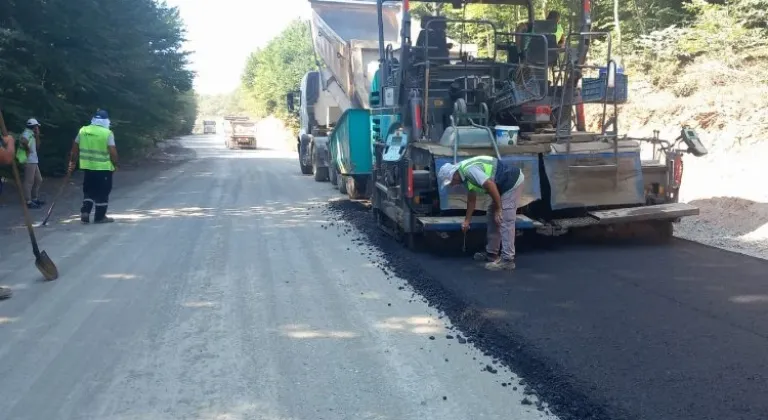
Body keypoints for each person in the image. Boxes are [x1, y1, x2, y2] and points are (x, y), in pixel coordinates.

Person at [438, 156, 525, 271]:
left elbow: (490, 185)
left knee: (504, 218)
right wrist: (467, 221)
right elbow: (471, 200)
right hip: (501, 187)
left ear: (454, 174)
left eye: (451, 182)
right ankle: (492, 254)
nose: (452, 185)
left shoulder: (469, 171)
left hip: (511, 182)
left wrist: (499, 209)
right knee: (491, 215)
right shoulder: (464, 178)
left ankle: (507, 260)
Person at [68, 110, 119, 224]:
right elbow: (113, 152)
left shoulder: (83, 130)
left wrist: (72, 162)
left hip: (88, 167)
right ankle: (100, 217)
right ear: (106, 121)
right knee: (103, 192)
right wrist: (115, 164)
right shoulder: (107, 133)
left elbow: (74, 149)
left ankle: (85, 211)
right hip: (103, 168)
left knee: (89, 190)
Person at [18, 118, 45, 209]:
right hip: (29, 160)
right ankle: (28, 201)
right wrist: (28, 149)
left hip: (34, 160)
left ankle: (34, 198)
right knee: (29, 181)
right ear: (33, 126)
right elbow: (23, 141)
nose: (38, 127)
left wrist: (37, 135)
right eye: (37, 126)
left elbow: (37, 147)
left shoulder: (32, 134)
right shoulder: (27, 133)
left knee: (39, 180)